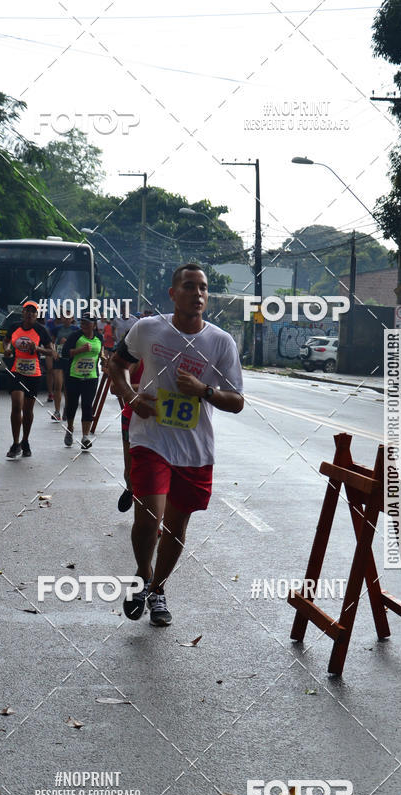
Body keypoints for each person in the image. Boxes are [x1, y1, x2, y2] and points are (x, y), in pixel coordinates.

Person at [108, 264, 244, 627]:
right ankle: (143, 573)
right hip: (150, 438)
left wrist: (204, 391)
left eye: (203, 288)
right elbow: (117, 364)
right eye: (189, 286)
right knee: (148, 516)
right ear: (173, 293)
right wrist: (131, 398)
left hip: (194, 448)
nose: (197, 294)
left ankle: (157, 589)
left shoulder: (221, 342)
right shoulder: (148, 328)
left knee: (176, 526)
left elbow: (237, 401)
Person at [3, 301, 53, 458]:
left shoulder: (41, 330)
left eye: (33, 311)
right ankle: (15, 443)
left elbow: (51, 352)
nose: (30, 314)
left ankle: (25, 441)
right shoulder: (14, 327)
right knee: (16, 405)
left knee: (28, 410)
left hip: (33, 373)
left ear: (37, 315)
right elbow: (6, 341)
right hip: (17, 371)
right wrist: (7, 349)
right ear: (23, 313)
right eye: (27, 311)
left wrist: (37, 348)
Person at [61, 314, 103, 449]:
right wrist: (80, 350)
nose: (83, 325)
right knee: (72, 405)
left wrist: (104, 359)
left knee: (87, 405)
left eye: (87, 323)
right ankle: (70, 428)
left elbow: (100, 353)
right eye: (82, 322)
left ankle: (85, 437)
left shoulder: (99, 337)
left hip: (91, 377)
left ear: (94, 325)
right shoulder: (75, 336)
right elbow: (65, 353)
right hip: (74, 376)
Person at [118, 359, 144, 512]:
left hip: (160, 421)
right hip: (131, 418)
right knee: (130, 472)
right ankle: (130, 488)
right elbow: (115, 387)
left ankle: (152, 514)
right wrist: (147, 388)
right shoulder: (136, 358)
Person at [48, 312, 78, 421]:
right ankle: (57, 411)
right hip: (59, 359)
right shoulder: (57, 329)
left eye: (69, 317)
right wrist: (53, 351)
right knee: (58, 385)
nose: (66, 319)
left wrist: (68, 343)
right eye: (64, 317)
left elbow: (79, 343)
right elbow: (51, 342)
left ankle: (66, 409)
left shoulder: (76, 330)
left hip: (70, 361)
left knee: (67, 387)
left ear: (72, 318)